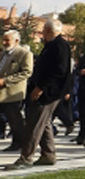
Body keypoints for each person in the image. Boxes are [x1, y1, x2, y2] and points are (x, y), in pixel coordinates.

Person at [5, 20, 72, 170]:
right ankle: (48, 155)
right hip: (45, 90)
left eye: (43, 31)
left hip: (49, 92)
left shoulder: (59, 45)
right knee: (44, 123)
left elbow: (59, 71)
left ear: (48, 31)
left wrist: (41, 87)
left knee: (34, 124)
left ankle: (26, 157)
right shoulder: (53, 45)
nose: (42, 34)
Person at [0, 30, 34, 153]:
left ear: (16, 41)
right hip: (1, 92)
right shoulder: (3, 54)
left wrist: (6, 81)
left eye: (7, 40)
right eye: (3, 40)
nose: (4, 43)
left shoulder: (24, 54)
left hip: (12, 93)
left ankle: (20, 143)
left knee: (14, 120)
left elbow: (27, 72)